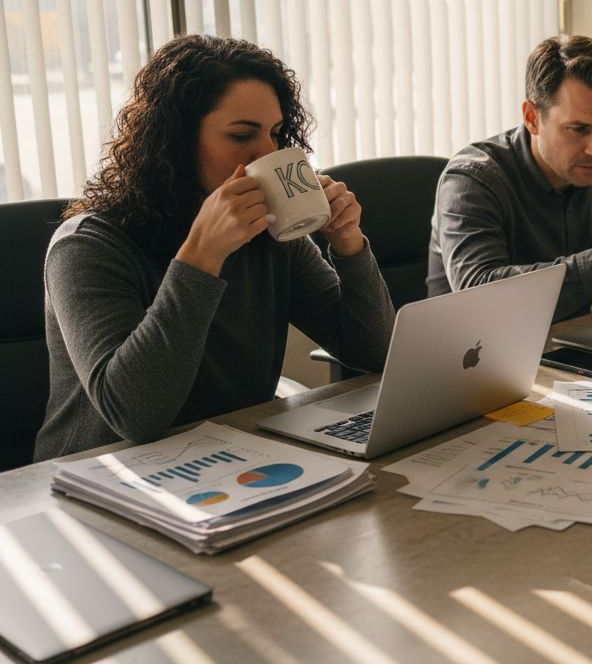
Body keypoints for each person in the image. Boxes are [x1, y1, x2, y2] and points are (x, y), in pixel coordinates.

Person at [35, 35, 395, 460]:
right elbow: (136, 417)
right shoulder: (87, 246)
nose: (267, 153)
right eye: (242, 135)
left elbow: (373, 353)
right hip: (99, 477)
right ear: (174, 140)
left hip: (230, 459)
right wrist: (202, 254)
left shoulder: (271, 235)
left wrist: (349, 246)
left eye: (276, 134)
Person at [427, 34, 592, 321]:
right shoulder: (471, 180)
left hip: (567, 346)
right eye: (579, 129)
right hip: (472, 357)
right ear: (532, 118)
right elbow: (479, 299)